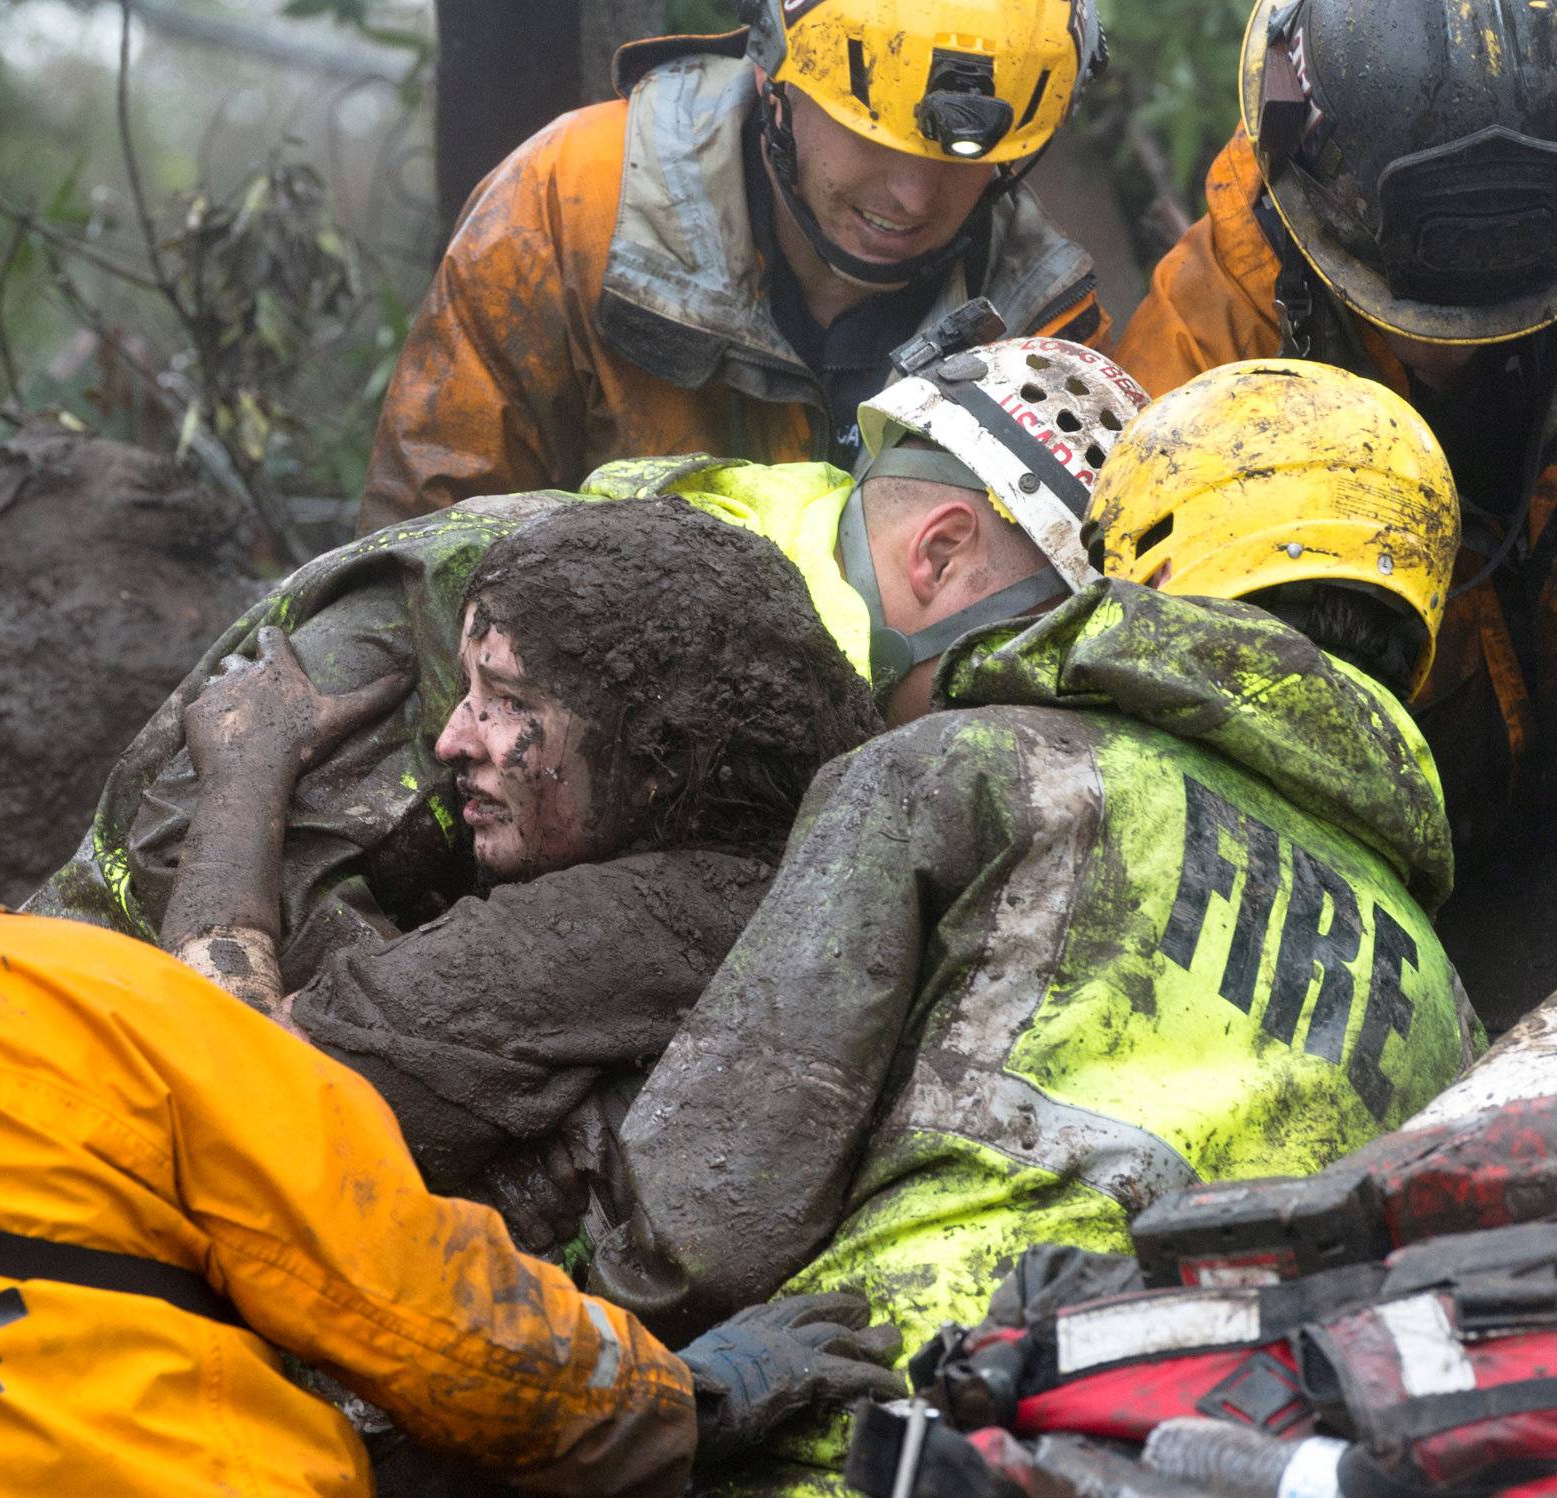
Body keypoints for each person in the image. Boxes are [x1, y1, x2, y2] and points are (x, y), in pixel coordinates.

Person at [0, 471, 899, 1496]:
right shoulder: (40, 996)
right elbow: (401, 1287)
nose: (454, 739)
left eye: (503, 704)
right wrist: (687, 1399)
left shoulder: (665, 910)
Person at [585, 362, 1486, 1495]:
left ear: (1140, 563)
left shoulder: (982, 765)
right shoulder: (1454, 1015)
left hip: (871, 1447)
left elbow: (701, 1220)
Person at [152, 499, 879, 1239]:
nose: (451, 740)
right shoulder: (801, 840)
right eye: (467, 692)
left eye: (505, 701)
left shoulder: (619, 928)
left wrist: (245, 773)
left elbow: (229, 1087)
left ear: (659, 753)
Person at [1110, 0, 1557, 1019]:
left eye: (1495, 318)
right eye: (1414, 317)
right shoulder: (1202, 356)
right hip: (1365, 908)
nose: (1454, 349)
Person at [358, 0, 1114, 535]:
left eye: (957, 157)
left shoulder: (1045, 328)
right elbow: (426, 537)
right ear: (773, 78)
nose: (912, 196)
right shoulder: (569, 204)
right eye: (869, 135)